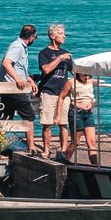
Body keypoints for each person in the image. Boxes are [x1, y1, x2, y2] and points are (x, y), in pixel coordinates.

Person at [36, 23, 73, 157]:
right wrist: (59, 58)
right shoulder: (44, 53)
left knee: (64, 123)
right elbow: (46, 69)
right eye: (61, 34)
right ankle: (46, 149)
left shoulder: (66, 53)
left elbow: (73, 71)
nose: (64, 36)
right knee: (47, 123)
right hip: (48, 92)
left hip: (63, 93)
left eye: (64, 34)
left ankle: (63, 151)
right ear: (52, 36)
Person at [0, 24, 38, 126]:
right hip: (13, 88)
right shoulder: (17, 46)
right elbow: (6, 62)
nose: (35, 40)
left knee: (6, 117)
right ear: (31, 36)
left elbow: (19, 69)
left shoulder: (22, 47)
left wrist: (30, 80)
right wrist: (17, 79)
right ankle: (30, 143)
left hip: (11, 87)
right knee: (29, 117)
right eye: (35, 37)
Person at [67, 70, 100, 165]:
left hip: (88, 113)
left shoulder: (90, 82)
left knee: (92, 142)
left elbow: (90, 95)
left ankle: (95, 165)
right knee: (75, 142)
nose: (86, 77)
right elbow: (62, 97)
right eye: (84, 75)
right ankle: (66, 159)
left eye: (89, 75)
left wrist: (92, 105)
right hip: (76, 112)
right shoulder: (71, 82)